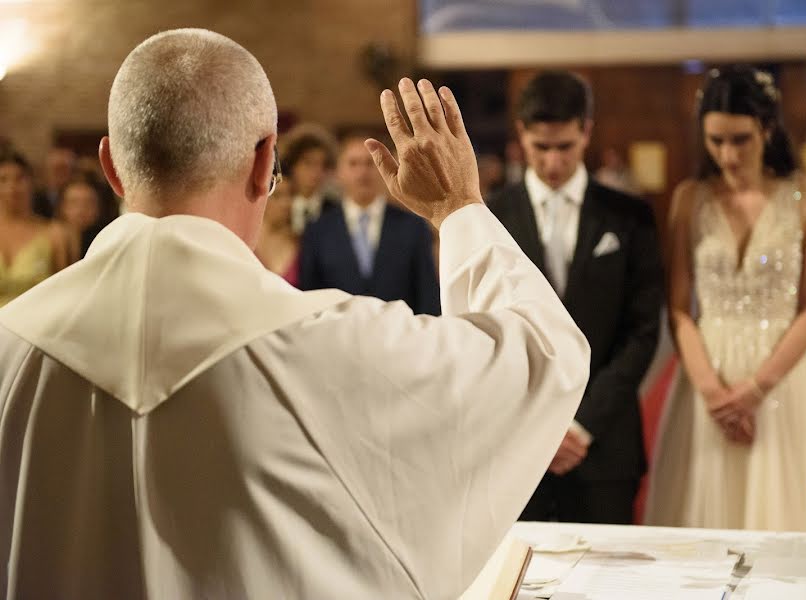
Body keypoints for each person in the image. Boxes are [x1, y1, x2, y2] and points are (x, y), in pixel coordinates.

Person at [0, 29, 590, 598]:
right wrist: (458, 208)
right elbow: (544, 354)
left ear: (111, 167)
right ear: (264, 163)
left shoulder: (12, 344)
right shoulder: (319, 342)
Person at [645, 66, 806, 532]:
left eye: (740, 139)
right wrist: (713, 392)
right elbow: (678, 308)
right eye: (715, 141)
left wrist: (755, 391)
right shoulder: (689, 198)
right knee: (701, 520)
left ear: (767, 129)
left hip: (781, 380)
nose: (727, 155)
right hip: (705, 376)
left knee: (784, 519)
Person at [489, 70, 664, 525]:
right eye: (540, 147)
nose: (551, 162)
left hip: (605, 445)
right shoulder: (488, 217)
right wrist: (541, 428)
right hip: (518, 446)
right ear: (522, 134)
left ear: (586, 131)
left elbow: (642, 332)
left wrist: (581, 425)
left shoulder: (631, 217)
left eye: (564, 146)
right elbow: (481, 330)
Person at [301, 131, 441, 315]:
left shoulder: (412, 226)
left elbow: (427, 292)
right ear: (338, 172)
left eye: (370, 163)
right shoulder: (318, 230)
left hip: (399, 335)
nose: (362, 172)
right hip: (339, 335)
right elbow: (310, 294)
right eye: (353, 164)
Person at [0, 148, 69, 306]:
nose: (12, 187)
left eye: (19, 178)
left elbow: (65, 294)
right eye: (3, 179)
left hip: (37, 326)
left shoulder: (54, 234)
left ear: (31, 182)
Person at [281, 123, 339, 236]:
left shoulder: (335, 209)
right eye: (308, 163)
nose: (316, 172)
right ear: (292, 165)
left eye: (322, 165)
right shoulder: (278, 207)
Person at [255, 176, 301, 285]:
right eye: (278, 196)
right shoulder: (246, 242)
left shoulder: (301, 243)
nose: (286, 203)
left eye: (290, 195)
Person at [31, 145, 77, 219]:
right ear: (45, 170)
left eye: (64, 168)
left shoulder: (82, 197)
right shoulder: (33, 198)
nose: (61, 174)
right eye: (57, 169)